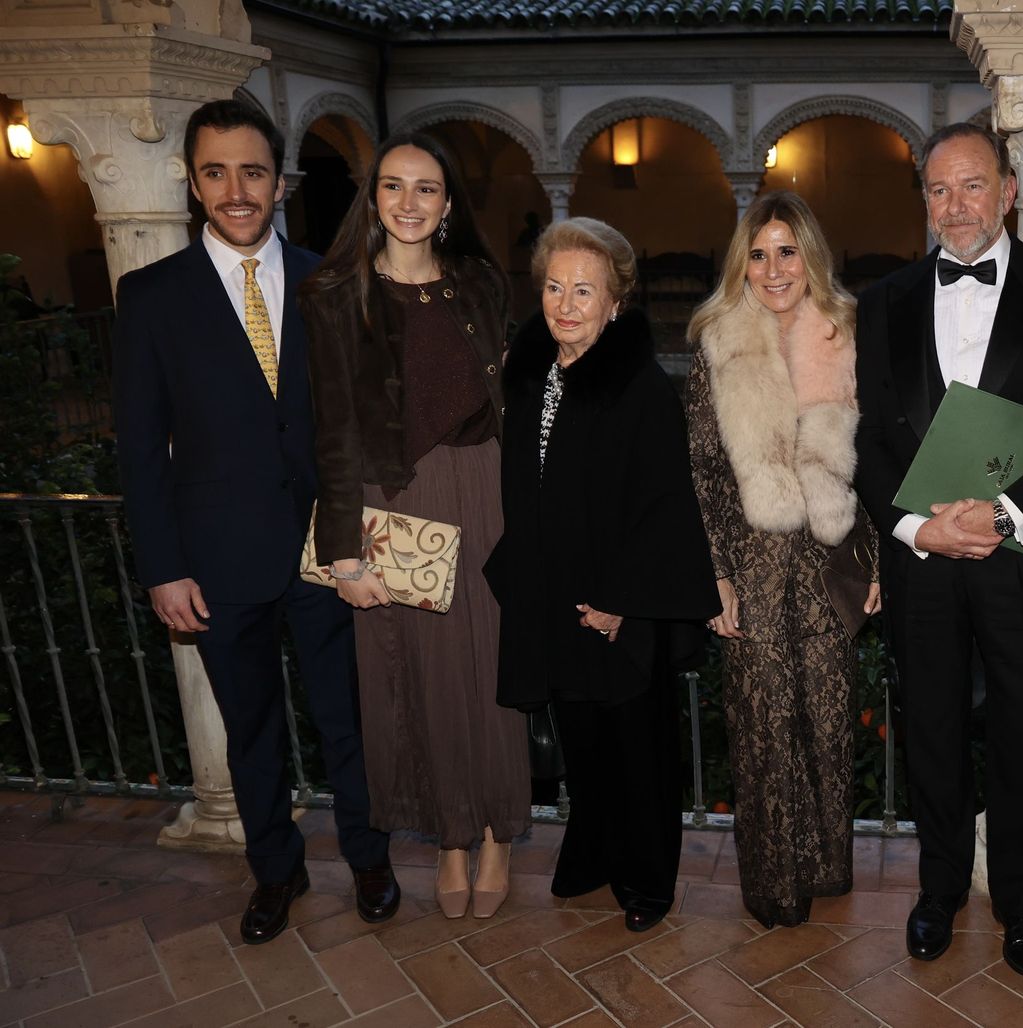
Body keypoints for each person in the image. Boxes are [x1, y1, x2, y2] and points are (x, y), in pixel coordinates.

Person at [113, 100, 396, 943]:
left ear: (281, 180)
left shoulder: (329, 281)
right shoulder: (150, 295)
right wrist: (163, 567)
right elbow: (138, 448)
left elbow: (357, 424)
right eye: (215, 172)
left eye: (253, 171)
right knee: (253, 733)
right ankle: (275, 870)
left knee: (350, 722)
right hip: (217, 559)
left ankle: (369, 858)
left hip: (328, 553)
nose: (236, 190)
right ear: (193, 181)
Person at [854, 124, 1023, 977]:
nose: (955, 206)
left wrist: (1006, 512)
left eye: (971, 186)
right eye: (938, 191)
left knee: (1021, 732)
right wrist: (914, 527)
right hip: (924, 559)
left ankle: (1018, 904)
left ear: (1009, 191)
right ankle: (938, 892)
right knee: (930, 727)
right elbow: (862, 439)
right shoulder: (883, 300)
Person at [299, 133, 530, 920]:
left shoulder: (480, 285)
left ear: (448, 205)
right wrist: (342, 555)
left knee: (495, 672)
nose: (407, 203)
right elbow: (332, 428)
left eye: (425, 188)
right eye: (392, 186)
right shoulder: (335, 295)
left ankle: (499, 831)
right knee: (423, 686)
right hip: (392, 505)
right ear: (373, 200)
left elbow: (521, 398)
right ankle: (453, 837)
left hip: (488, 489)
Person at [486, 217, 720, 933]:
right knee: (581, 738)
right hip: (553, 593)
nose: (565, 304)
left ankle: (647, 880)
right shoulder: (533, 376)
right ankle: (590, 855)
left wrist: (621, 600)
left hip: (618, 601)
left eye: (584, 290)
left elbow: (663, 505)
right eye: (555, 287)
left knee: (636, 750)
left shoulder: (642, 387)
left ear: (616, 301)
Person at [683, 191, 882, 928]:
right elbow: (701, 470)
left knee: (827, 724)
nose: (773, 269)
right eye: (759, 254)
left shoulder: (848, 333)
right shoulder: (718, 341)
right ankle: (774, 883)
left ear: (811, 258)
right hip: (753, 560)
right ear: (743, 263)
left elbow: (880, 463)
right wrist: (718, 574)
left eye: (787, 251)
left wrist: (880, 561)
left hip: (833, 559)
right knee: (764, 725)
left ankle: (825, 863)